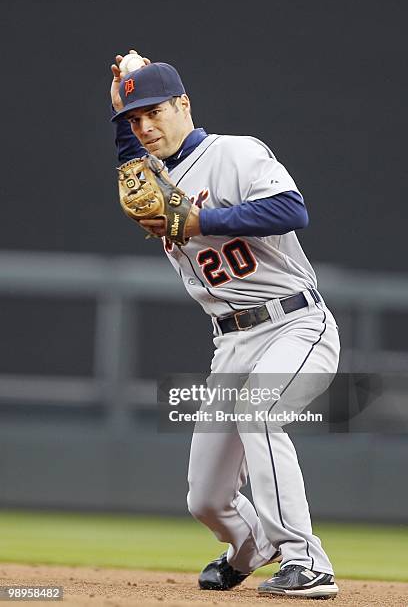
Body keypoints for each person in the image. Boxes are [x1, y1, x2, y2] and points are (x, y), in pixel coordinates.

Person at [110, 52, 340, 600]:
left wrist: (201, 220)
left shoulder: (234, 152)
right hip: (230, 342)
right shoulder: (152, 175)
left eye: (155, 111)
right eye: (135, 119)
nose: (145, 126)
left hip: (295, 324)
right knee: (207, 499)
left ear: (184, 104)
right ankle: (249, 546)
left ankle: (307, 562)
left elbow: (292, 209)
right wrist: (120, 98)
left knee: (260, 411)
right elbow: (130, 144)